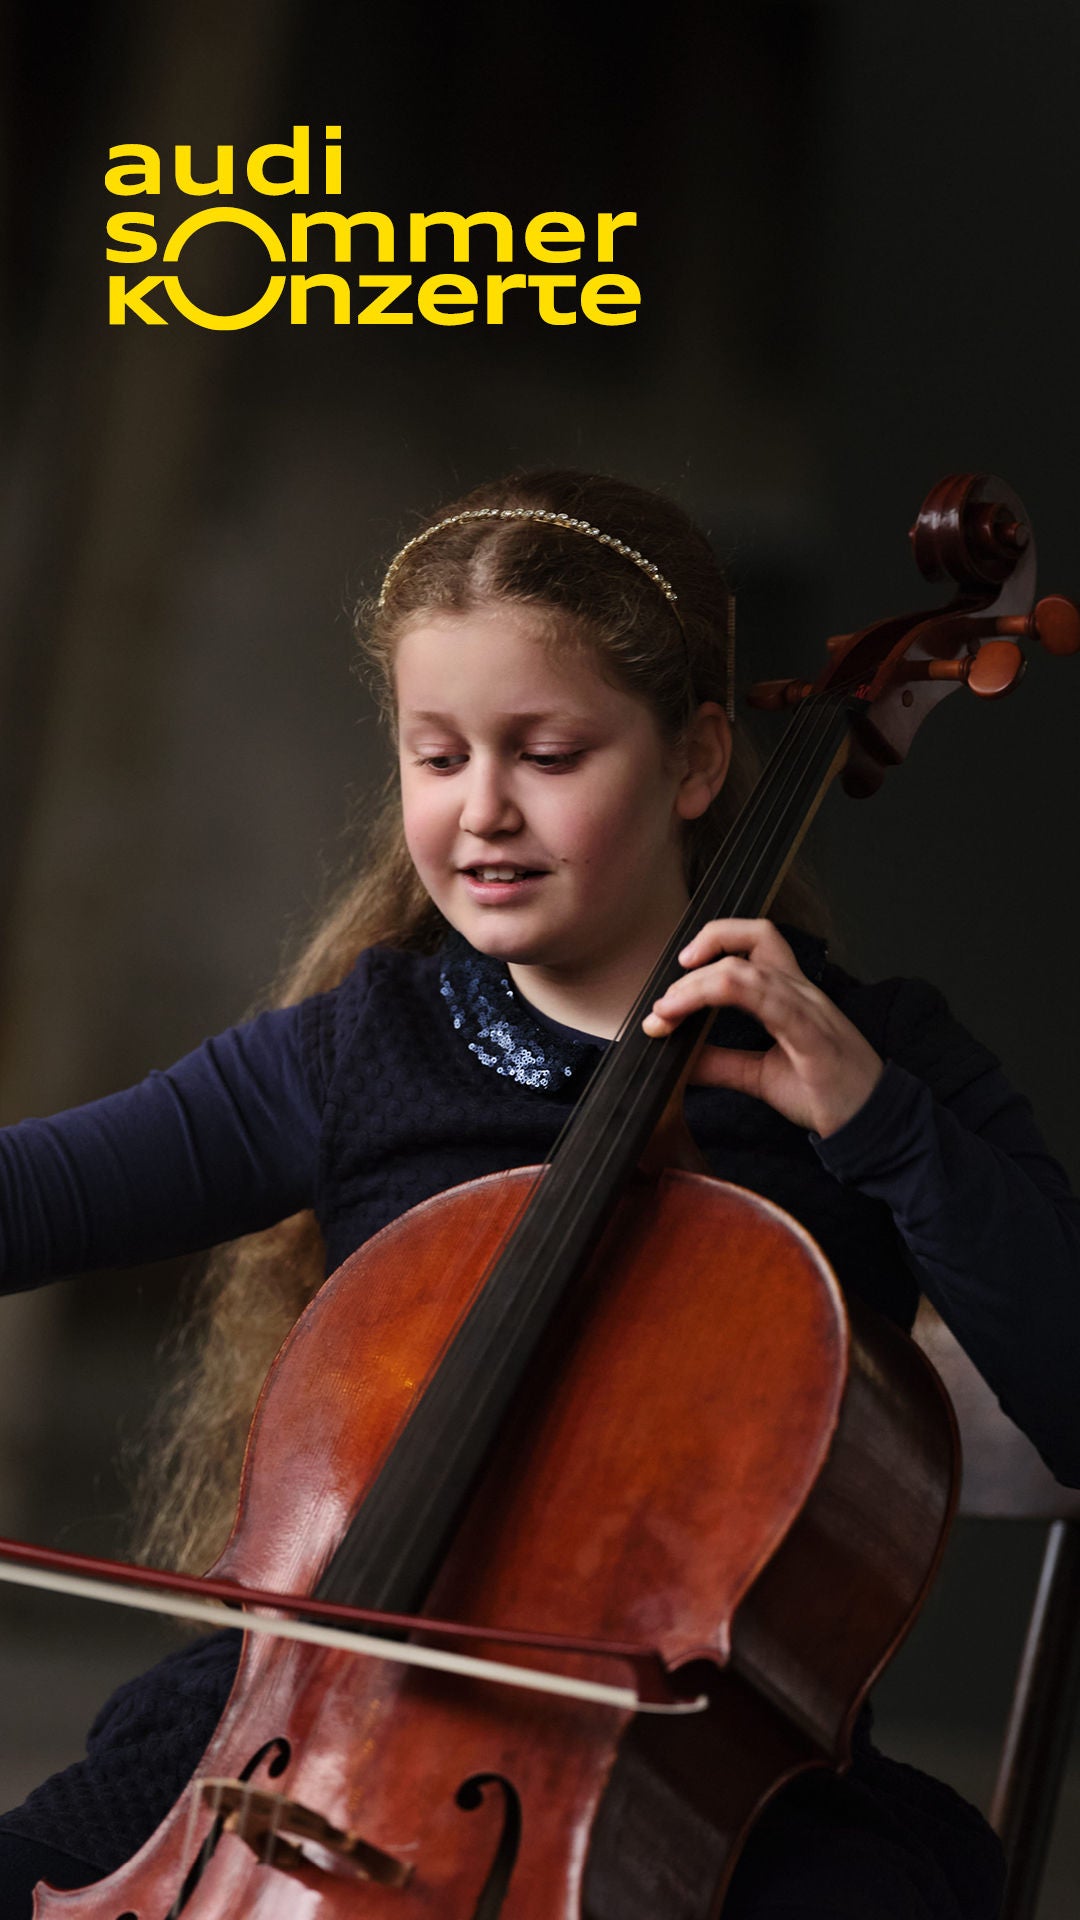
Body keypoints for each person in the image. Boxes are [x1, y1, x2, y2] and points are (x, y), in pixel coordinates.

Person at [1, 468, 1077, 1917]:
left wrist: (883, 1129)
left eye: (550, 753)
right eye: (437, 757)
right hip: (304, 1723)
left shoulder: (884, 1064)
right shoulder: (359, 1052)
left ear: (696, 762)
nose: (483, 811)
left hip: (710, 1783)